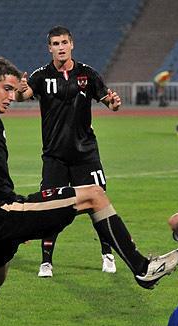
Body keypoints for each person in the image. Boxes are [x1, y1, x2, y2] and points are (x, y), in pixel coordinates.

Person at [0, 56, 178, 326]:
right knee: (94, 195)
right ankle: (142, 269)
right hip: (2, 212)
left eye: (13, 89)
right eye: (6, 89)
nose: (11, 96)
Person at [17, 25, 122, 278]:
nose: (61, 47)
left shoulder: (88, 74)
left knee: (99, 203)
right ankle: (46, 262)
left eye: (64, 42)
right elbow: (24, 95)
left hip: (85, 154)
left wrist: (114, 103)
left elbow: (108, 101)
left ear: (72, 44)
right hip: (55, 156)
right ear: (49, 48)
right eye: (56, 44)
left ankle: (107, 254)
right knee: (50, 207)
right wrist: (20, 90)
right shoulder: (41, 76)